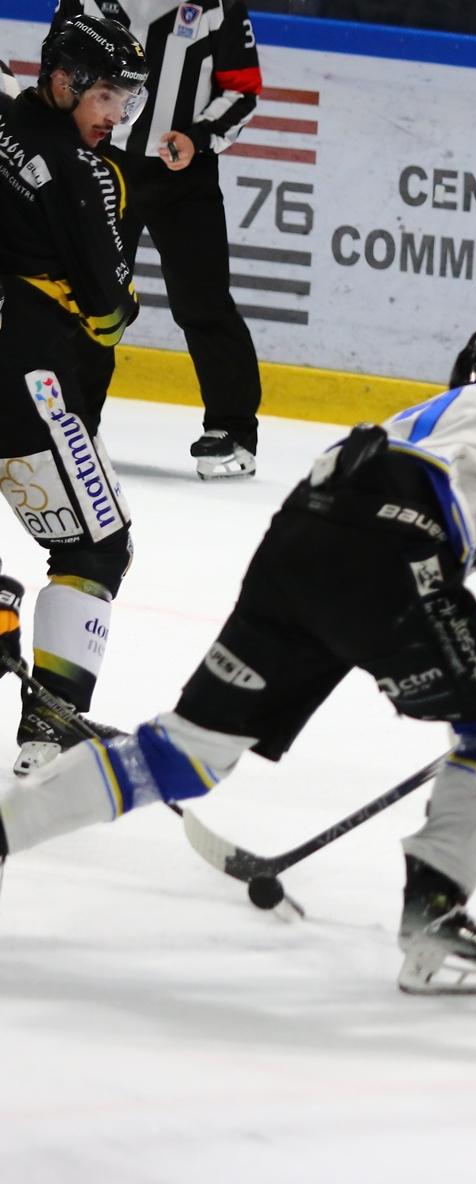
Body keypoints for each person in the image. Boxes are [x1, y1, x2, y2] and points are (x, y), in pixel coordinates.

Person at [0, 329, 476, 996]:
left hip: (303, 531)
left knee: (186, 752)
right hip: (396, 547)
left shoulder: (427, 419)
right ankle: (433, 924)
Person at [0, 15, 146, 775]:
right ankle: (51, 724)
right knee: (97, 545)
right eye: (107, 95)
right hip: (27, 382)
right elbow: (109, 312)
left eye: (127, 99)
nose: (116, 115)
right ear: (62, 81)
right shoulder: (85, 172)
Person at [51, 1, 265, 479]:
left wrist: (198, 137)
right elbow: (58, 74)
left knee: (203, 302)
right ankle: (74, 423)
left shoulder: (218, 6)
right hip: (98, 166)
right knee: (87, 295)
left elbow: (243, 88)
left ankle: (233, 430)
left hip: (184, 176)